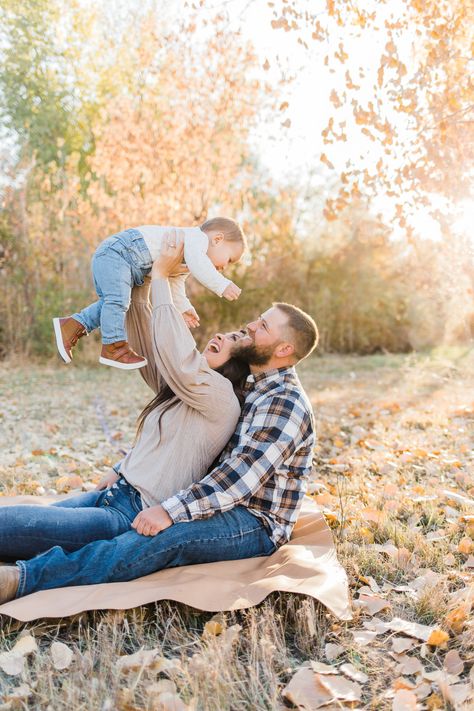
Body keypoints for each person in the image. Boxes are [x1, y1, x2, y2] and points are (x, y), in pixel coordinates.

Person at [0, 234, 319, 603]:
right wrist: (124, 467)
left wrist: (170, 511)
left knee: (162, 538)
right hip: (144, 496)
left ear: (283, 349)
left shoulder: (283, 403)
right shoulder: (248, 385)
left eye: (262, 326)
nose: (248, 327)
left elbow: (237, 482)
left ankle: (23, 580)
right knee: (18, 527)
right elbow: (184, 440)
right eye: (255, 320)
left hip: (253, 520)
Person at [53, 217, 246, 369]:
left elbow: (175, 283)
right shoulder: (197, 239)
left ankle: (70, 326)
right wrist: (222, 285)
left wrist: (184, 307)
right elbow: (201, 267)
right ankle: (114, 347)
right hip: (118, 253)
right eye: (229, 259)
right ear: (217, 239)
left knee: (111, 303)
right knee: (118, 302)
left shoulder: (188, 259)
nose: (224, 268)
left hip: (121, 259)